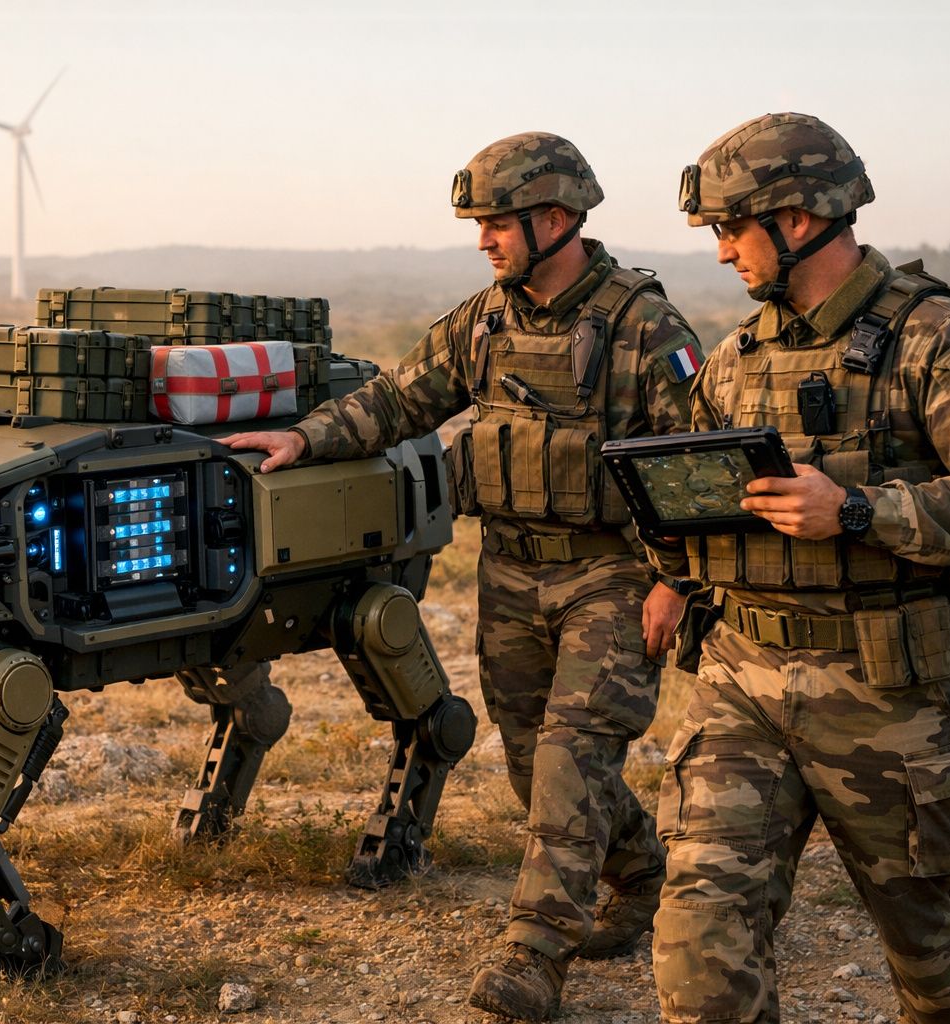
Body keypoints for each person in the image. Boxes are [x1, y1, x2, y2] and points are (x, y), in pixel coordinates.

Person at [225, 131, 701, 1021]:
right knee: (534, 768)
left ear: (553, 219)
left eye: (496, 224)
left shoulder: (645, 325)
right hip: (512, 573)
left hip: (613, 575)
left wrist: (677, 579)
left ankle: (532, 956)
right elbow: (400, 397)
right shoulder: (485, 319)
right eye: (478, 225)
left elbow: (694, 466)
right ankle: (641, 870)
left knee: (570, 761)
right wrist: (307, 438)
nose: (483, 240)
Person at [648, 112, 950, 1023]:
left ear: (797, 219)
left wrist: (860, 510)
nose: (720, 255)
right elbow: (707, 491)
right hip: (741, 680)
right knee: (699, 949)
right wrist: (674, 570)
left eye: (728, 229)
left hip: (887, 695)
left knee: (938, 964)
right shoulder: (736, 357)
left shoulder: (936, 336)